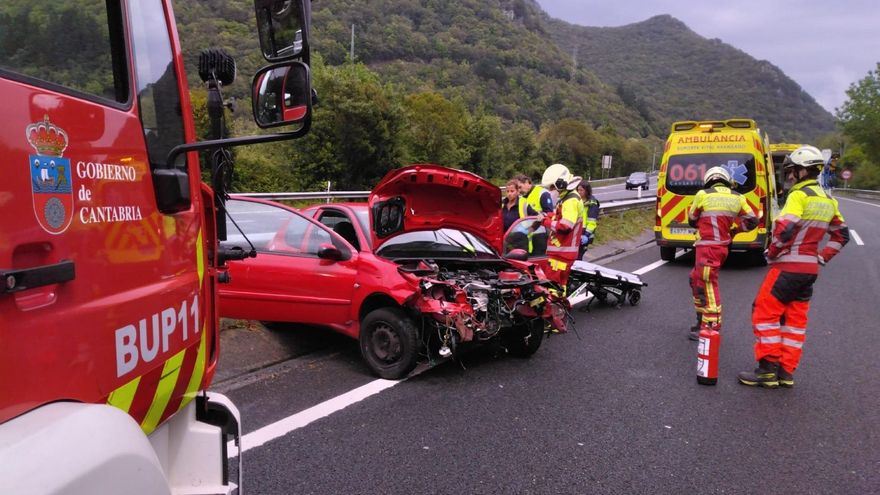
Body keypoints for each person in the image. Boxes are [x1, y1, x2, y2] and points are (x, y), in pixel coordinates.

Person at [738, 146, 849, 388]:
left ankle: (767, 370)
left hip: (787, 268)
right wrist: (821, 257)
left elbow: (786, 229)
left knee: (764, 313)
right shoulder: (828, 200)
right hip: (809, 272)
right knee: (795, 322)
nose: (790, 176)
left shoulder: (798, 196)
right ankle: (786, 372)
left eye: (792, 171)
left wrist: (773, 251)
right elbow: (842, 235)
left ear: (803, 170)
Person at [687, 166, 759, 341]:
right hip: (720, 248)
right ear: (725, 180)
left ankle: (711, 326)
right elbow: (753, 221)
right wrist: (734, 230)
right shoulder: (738, 197)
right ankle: (701, 319)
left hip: (708, 248)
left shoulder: (703, 195)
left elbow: (692, 219)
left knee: (707, 283)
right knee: (695, 279)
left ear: (709, 180)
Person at [535, 164, 584, 292]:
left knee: (554, 287)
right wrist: (548, 215)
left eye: (552, 187)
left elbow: (565, 226)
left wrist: (544, 221)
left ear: (560, 184)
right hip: (560, 251)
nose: (551, 190)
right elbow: (559, 218)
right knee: (555, 285)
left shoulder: (570, 201)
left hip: (563, 252)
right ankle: (557, 307)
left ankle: (556, 309)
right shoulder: (566, 198)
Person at [577, 181, 600, 260]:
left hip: (584, 233)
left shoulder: (592, 203)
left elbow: (592, 222)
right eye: (578, 190)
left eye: (581, 190)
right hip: (576, 231)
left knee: (578, 257)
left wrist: (586, 235)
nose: (579, 192)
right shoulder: (577, 201)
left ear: (587, 191)